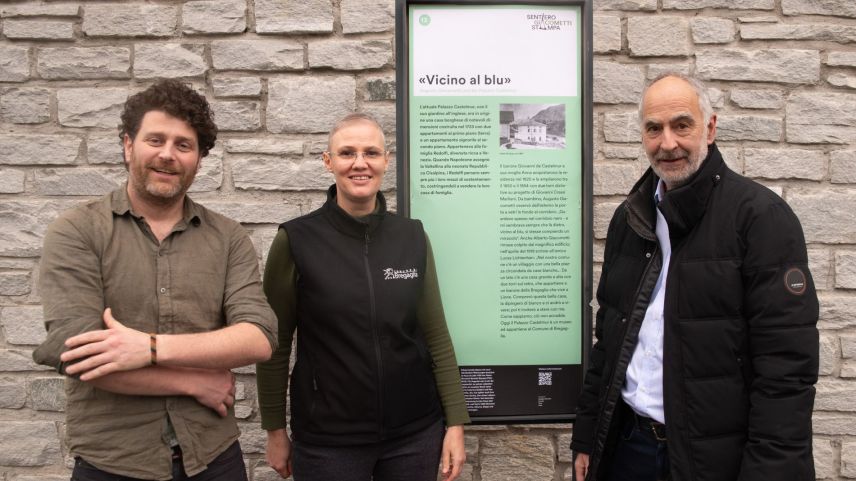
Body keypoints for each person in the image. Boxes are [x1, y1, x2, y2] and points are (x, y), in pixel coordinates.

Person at [571, 73, 819, 481]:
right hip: (628, 448)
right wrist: (586, 436)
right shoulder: (630, 220)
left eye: (681, 125)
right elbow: (610, 340)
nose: (667, 143)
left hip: (714, 460)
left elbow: (786, 369)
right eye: (654, 129)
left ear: (710, 127)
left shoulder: (761, 219)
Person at [33, 79, 278, 481]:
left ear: (199, 159)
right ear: (128, 145)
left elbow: (259, 336)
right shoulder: (78, 231)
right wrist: (191, 382)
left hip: (212, 457)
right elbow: (75, 352)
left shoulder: (228, 237)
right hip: (113, 461)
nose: (168, 154)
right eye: (156, 140)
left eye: (184, 145)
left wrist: (146, 347)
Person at [257, 113, 470, 481]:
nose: (360, 163)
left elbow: (435, 334)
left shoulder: (412, 237)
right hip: (329, 442)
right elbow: (274, 343)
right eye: (347, 153)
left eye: (371, 152)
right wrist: (275, 430)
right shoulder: (296, 240)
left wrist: (455, 423)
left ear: (386, 161)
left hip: (414, 434)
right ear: (329, 162)